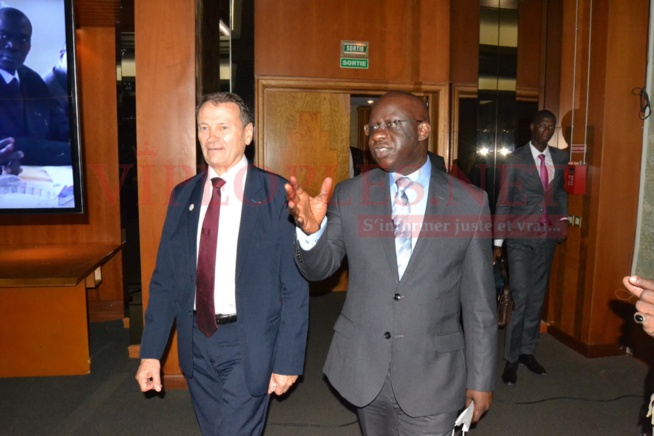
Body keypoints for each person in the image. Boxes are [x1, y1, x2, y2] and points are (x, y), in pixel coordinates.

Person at [285, 91, 497, 435]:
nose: (378, 135)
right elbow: (319, 269)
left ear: (424, 130)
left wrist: (481, 378)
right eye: (372, 127)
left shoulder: (469, 202)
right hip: (366, 370)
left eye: (392, 124)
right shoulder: (351, 194)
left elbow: (480, 305)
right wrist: (310, 232)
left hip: (434, 374)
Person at [135, 92, 309, 435]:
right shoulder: (182, 195)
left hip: (249, 342)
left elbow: (294, 286)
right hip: (196, 341)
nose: (211, 137)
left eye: (223, 127)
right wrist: (151, 352)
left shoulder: (276, 195)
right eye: (204, 127)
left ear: (248, 134)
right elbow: (165, 279)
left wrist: (288, 359)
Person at [493, 109, 569, 385]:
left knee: (537, 296)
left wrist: (562, 224)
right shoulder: (515, 159)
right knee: (521, 296)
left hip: (546, 238)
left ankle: (527, 352)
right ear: (532, 127)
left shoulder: (560, 157)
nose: (547, 130)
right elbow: (504, 200)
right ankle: (511, 359)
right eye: (543, 125)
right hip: (519, 237)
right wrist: (498, 241)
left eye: (552, 126)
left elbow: (560, 192)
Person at [0, 7, 70, 170]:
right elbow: (10, 143)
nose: (13, 46)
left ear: (29, 46)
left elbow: (61, 130)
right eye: (3, 36)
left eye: (23, 39)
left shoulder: (33, 80)